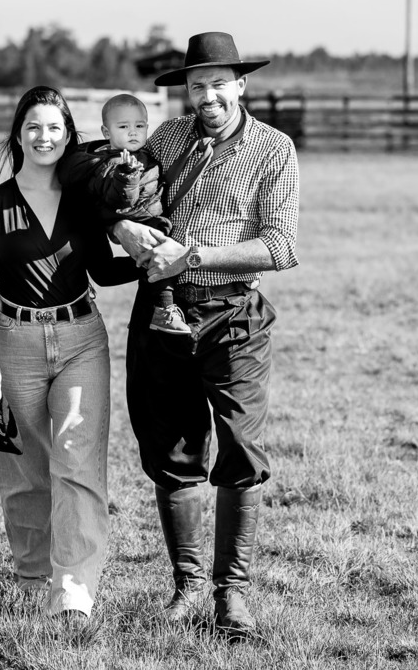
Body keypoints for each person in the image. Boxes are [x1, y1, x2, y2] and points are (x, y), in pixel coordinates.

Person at [111, 32, 300, 636]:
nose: (208, 95)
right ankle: (188, 587)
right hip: (161, 314)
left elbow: (281, 245)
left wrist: (193, 256)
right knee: (172, 451)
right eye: (197, 86)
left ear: (241, 86)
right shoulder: (166, 137)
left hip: (232, 317)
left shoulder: (274, 149)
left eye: (219, 84)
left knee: (241, 450)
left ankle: (232, 593)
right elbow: (122, 195)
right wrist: (122, 225)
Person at [0, 86, 138, 618]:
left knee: (77, 462)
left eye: (55, 128)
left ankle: (73, 588)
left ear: (69, 135)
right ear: (19, 135)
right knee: (25, 469)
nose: (45, 137)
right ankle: (30, 577)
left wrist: (154, 257)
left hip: (81, 338)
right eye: (34, 128)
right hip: (14, 340)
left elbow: (104, 271)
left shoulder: (84, 200)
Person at [58, 93, 189, 335]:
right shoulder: (112, 162)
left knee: (119, 269)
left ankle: (151, 309)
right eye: (124, 126)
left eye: (139, 126)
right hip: (134, 216)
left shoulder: (141, 155)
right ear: (106, 132)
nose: (133, 132)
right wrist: (127, 175)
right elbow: (119, 198)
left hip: (141, 214)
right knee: (159, 254)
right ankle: (164, 310)